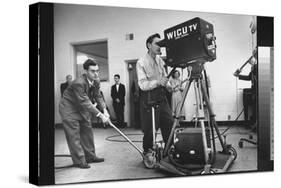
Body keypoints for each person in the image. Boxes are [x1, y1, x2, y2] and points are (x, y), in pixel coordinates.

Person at [59, 59, 110, 169]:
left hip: (82, 108)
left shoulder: (96, 81)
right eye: (92, 71)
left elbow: (98, 96)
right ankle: (79, 161)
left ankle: (90, 157)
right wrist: (100, 115)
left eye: (97, 71)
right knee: (74, 135)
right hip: (69, 109)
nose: (96, 74)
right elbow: (85, 101)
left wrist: (105, 110)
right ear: (86, 71)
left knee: (87, 132)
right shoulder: (78, 83)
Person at [136, 33, 173, 161]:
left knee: (169, 123)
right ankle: (147, 152)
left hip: (162, 98)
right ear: (149, 45)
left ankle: (169, 151)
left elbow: (164, 76)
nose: (160, 46)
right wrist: (158, 82)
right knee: (150, 129)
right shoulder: (141, 62)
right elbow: (142, 84)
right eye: (157, 43)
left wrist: (168, 85)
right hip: (149, 99)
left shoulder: (160, 60)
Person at [234, 51, 257, 126]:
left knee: (257, 108)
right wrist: (238, 76)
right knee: (254, 108)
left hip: (259, 91)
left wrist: (254, 66)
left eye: (255, 55)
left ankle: (255, 123)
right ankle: (253, 123)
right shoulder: (254, 67)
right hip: (254, 90)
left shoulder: (258, 66)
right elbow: (249, 77)